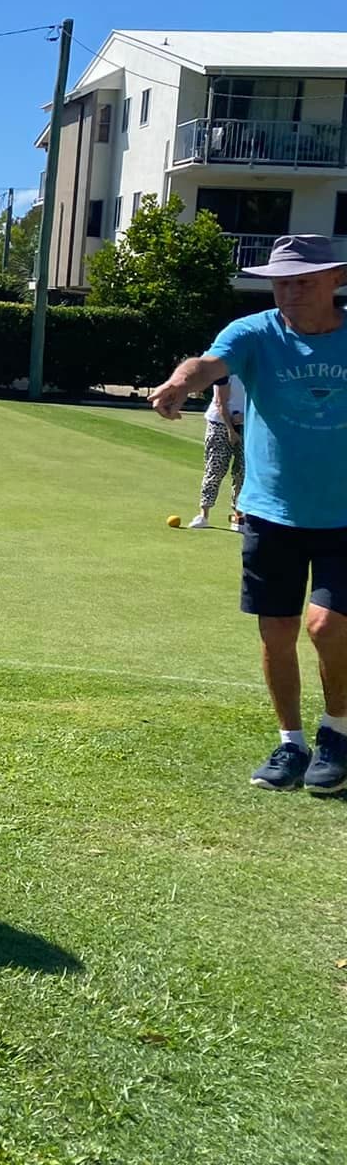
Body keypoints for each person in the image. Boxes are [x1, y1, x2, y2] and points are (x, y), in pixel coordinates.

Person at [149, 234, 347, 795]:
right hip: (270, 510)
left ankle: (337, 732)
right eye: (281, 282)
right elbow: (208, 363)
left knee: (327, 626)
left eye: (302, 281)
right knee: (277, 629)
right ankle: (291, 743)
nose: (289, 292)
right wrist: (178, 385)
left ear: (337, 279)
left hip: (345, 515)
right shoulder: (256, 331)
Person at [187, 373, 246, 530]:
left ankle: (238, 517)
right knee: (215, 469)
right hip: (219, 423)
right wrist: (231, 431)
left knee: (243, 472)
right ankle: (203, 515)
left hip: (246, 425)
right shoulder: (226, 371)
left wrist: (246, 416)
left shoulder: (255, 370)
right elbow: (221, 402)